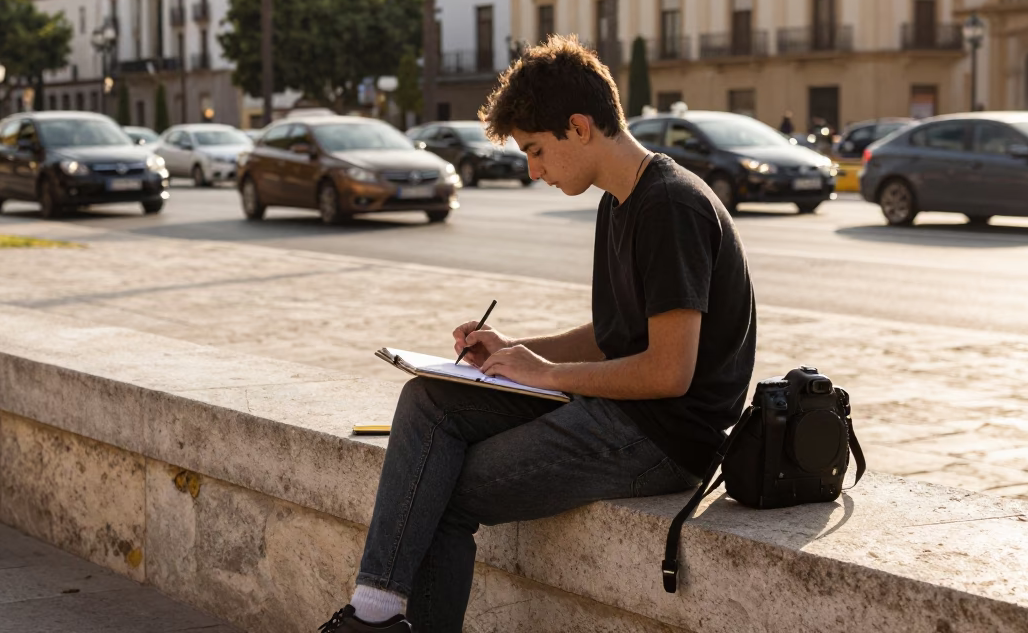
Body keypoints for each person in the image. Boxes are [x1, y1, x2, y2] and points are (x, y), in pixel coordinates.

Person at [318, 35, 756, 633]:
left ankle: (374, 622)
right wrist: (512, 352)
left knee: (440, 491)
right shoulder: (621, 202)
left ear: (579, 127)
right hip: (617, 413)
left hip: (660, 439)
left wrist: (546, 376)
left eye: (536, 150)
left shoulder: (671, 207)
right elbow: (612, 336)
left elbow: (667, 371)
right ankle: (376, 612)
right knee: (428, 397)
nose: (533, 170)